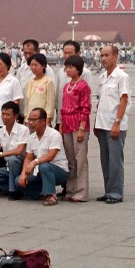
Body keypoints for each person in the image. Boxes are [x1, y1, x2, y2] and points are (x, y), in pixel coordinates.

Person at [94, 45, 131, 204]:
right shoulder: (102, 77)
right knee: (106, 160)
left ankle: (116, 192)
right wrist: (96, 123)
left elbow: (124, 100)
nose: (103, 58)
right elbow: (100, 102)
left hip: (115, 125)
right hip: (102, 124)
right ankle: (108, 190)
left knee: (115, 160)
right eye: (101, 55)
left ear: (115, 56)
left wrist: (117, 122)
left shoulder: (122, 77)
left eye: (107, 55)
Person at [17, 108, 69, 206]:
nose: (30, 123)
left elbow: (50, 156)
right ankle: (40, 192)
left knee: (45, 166)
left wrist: (34, 162)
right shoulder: (31, 138)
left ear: (43, 121)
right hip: (40, 171)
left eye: (33, 120)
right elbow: (28, 157)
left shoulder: (54, 135)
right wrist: (23, 174)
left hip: (58, 170)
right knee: (18, 181)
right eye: (29, 119)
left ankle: (51, 195)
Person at [59, 55, 91, 202]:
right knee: (70, 160)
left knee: (80, 159)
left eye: (71, 67)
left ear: (79, 69)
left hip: (78, 124)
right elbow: (63, 107)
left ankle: (82, 191)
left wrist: (81, 128)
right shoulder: (67, 86)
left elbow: (85, 108)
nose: (68, 70)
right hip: (66, 125)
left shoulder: (83, 86)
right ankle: (70, 189)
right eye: (67, 67)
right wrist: (61, 126)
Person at [0, 101, 29, 199]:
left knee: (13, 159)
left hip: (22, 166)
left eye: (8, 114)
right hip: (8, 168)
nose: (4, 117)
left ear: (16, 116)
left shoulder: (23, 129)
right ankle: (17, 188)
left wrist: (0, 155)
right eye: (3, 114)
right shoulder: (1, 131)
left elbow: (19, 151)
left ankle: (13, 192)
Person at [54, 40, 95, 129]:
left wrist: (82, 125)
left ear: (78, 54)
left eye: (70, 53)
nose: (67, 56)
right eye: (65, 53)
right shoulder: (61, 72)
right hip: (61, 119)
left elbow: (88, 100)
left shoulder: (85, 73)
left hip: (77, 121)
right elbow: (58, 96)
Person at [24, 53, 56, 127]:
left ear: (43, 66)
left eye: (36, 65)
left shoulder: (48, 81)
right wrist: (25, 118)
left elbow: (50, 103)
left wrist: (47, 119)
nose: (33, 67)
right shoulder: (30, 82)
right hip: (29, 120)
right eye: (31, 65)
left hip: (42, 121)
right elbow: (27, 102)